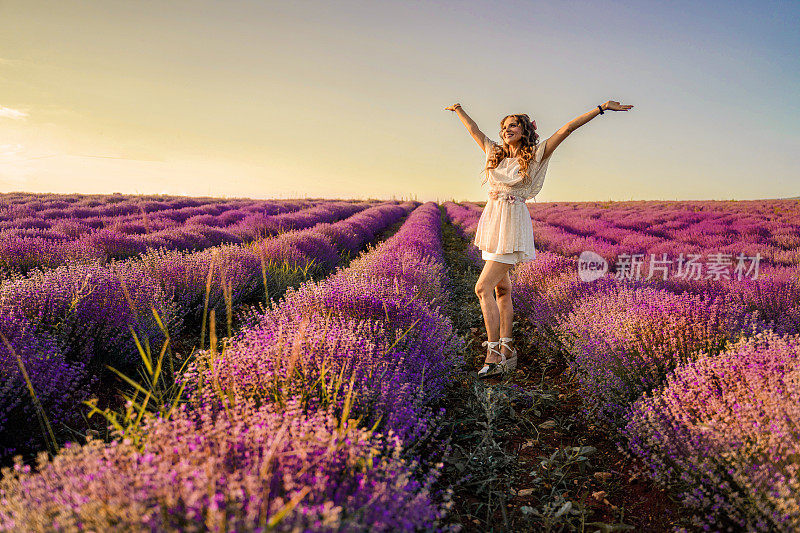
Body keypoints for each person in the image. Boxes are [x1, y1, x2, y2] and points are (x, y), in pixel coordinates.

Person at [445, 100, 634, 377]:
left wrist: (602, 108)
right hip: (493, 226)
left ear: (524, 130)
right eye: (504, 126)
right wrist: (459, 110)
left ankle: (493, 352)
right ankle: (509, 350)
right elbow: (474, 130)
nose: (507, 129)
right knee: (501, 290)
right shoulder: (495, 153)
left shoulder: (535, 155)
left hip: (511, 225)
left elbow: (567, 128)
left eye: (514, 125)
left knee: (482, 288)